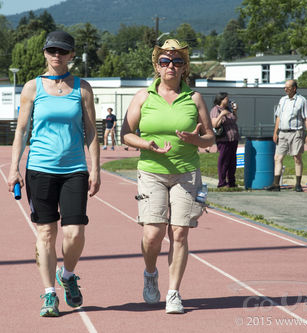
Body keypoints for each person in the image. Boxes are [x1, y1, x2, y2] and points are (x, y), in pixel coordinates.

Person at [7, 30, 100, 317]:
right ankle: (49, 294)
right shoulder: (31, 88)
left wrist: (95, 168)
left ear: (72, 55)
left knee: (74, 233)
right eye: (51, 51)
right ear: (45, 54)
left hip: (74, 169)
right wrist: (14, 167)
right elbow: (22, 130)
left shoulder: (82, 88)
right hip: (40, 169)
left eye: (62, 51)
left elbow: (92, 131)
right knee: (46, 233)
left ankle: (68, 275)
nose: (56, 56)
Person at [120, 39, 215, 314]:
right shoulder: (143, 97)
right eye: (165, 61)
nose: (171, 66)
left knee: (179, 233)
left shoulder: (194, 98)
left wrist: (196, 139)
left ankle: (174, 293)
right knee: (152, 233)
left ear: (185, 67)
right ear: (157, 66)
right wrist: (146, 145)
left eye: (177, 62)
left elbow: (209, 138)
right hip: (152, 171)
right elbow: (125, 133)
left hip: (186, 173)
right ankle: (151, 273)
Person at [265, 79, 307, 192]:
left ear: (294, 89)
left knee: (297, 158)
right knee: (278, 157)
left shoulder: (302, 100)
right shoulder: (282, 100)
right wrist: (275, 132)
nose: (285, 89)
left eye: (288, 87)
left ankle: (298, 184)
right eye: (284, 87)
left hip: (296, 132)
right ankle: (276, 184)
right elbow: (278, 117)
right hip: (283, 132)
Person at [210, 92, 240, 188]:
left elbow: (234, 119)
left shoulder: (229, 109)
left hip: (233, 139)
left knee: (232, 161)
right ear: (221, 100)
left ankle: (231, 182)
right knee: (224, 161)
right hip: (223, 139)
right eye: (226, 99)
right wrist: (221, 115)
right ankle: (222, 182)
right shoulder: (216, 110)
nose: (228, 100)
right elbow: (214, 124)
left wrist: (235, 111)